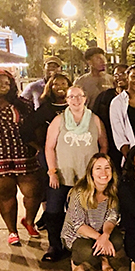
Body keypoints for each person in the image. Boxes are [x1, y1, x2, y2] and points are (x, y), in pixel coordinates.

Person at [0, 70, 42, 246]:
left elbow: (34, 126)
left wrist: (39, 147)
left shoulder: (22, 105)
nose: (3, 85)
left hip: (23, 154)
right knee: (6, 194)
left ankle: (29, 221)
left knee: (33, 192)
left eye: (7, 83)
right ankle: (12, 231)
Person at [44, 86, 108, 261]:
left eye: (79, 96)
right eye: (71, 97)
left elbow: (103, 144)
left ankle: (85, 246)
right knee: (54, 211)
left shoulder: (94, 120)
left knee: (87, 213)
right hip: (63, 175)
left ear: (85, 98)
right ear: (67, 100)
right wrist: (52, 172)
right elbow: (49, 147)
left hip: (87, 178)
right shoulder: (59, 120)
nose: (76, 100)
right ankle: (55, 246)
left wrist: (100, 170)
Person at [20, 73, 72, 230]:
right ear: (50, 88)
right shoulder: (46, 109)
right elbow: (26, 130)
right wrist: (39, 148)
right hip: (51, 156)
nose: (60, 87)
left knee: (72, 192)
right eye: (56, 84)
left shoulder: (76, 107)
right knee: (54, 192)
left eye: (64, 83)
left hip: (72, 155)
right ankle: (53, 226)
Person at [61, 154, 123, 271]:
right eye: (98, 168)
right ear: (91, 172)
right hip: (76, 235)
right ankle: (76, 262)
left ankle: (103, 257)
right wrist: (101, 239)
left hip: (100, 230)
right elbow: (78, 225)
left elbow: (112, 217)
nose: (103, 172)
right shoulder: (79, 192)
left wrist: (105, 235)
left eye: (107, 168)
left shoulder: (112, 191)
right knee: (86, 251)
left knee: (117, 241)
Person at [92, 64, 129, 173]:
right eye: (116, 74)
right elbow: (95, 118)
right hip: (109, 143)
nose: (119, 77)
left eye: (123, 74)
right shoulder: (104, 97)